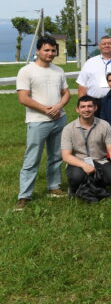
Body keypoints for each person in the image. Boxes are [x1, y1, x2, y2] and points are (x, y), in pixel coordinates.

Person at [15, 35, 70, 210]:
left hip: (59, 119)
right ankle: (24, 196)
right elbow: (23, 98)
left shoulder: (58, 70)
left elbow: (66, 93)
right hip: (38, 121)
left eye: (53, 50)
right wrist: (45, 110)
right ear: (38, 51)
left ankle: (54, 187)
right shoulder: (27, 71)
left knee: (56, 156)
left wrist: (58, 107)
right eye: (46, 50)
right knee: (32, 159)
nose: (50, 53)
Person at [61, 96, 111, 196]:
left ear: (95, 108)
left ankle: (96, 186)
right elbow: (66, 156)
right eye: (83, 107)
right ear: (77, 109)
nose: (86, 109)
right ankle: (74, 188)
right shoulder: (68, 129)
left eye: (89, 106)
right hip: (78, 162)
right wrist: (84, 165)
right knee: (76, 177)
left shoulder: (104, 125)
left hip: (99, 160)